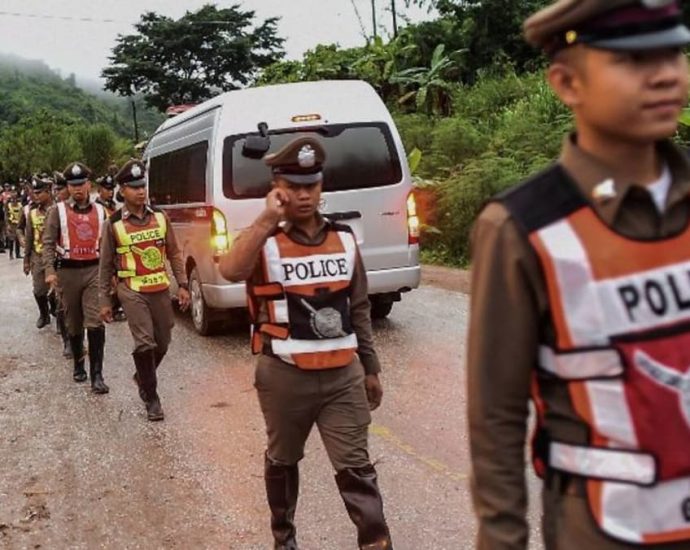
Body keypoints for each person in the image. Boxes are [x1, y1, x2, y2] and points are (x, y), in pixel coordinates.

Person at [467, 1, 690, 549]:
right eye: (632, 60)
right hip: (604, 528)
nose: (664, 75)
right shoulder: (523, 229)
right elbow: (496, 416)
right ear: (566, 83)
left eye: (673, 53)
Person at [219, 137, 393, 550]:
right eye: (293, 187)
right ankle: (284, 538)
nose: (303, 195)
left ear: (321, 186)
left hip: (343, 378)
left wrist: (370, 368)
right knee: (283, 461)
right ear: (277, 186)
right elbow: (230, 270)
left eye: (311, 186)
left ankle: (377, 543)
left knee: (357, 470)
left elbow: (361, 307)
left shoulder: (345, 239)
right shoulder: (265, 240)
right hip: (284, 376)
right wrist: (265, 219)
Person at [98, 159, 190, 421]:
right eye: (134, 187)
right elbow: (105, 265)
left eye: (143, 186)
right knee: (145, 342)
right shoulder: (113, 224)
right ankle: (151, 397)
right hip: (131, 290)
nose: (140, 191)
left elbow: (174, 252)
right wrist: (105, 300)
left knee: (163, 340)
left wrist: (182, 284)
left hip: (159, 287)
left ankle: (142, 376)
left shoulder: (160, 217)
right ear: (122, 191)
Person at [43, 162, 108, 393]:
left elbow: (108, 246)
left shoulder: (101, 211)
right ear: (68, 187)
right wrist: (49, 271)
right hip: (67, 272)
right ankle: (79, 364)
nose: (77, 189)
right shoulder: (57, 211)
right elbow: (48, 243)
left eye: (81, 184)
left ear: (89, 185)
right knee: (73, 321)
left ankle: (97, 375)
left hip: (94, 271)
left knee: (95, 321)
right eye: (73, 185)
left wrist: (114, 275)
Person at [23, 177, 53, 329]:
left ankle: (59, 316)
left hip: (55, 257)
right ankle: (44, 314)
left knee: (58, 292)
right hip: (38, 256)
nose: (36, 196)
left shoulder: (57, 210)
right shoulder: (32, 213)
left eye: (39, 193)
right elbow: (28, 237)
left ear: (48, 192)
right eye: (34, 193)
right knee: (39, 290)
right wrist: (26, 260)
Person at [4, 185, 22, 259]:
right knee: (11, 239)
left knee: (18, 239)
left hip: (18, 224)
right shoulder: (8, 205)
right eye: (12, 199)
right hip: (11, 224)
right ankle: (11, 254)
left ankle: (18, 254)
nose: (14, 200)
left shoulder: (20, 205)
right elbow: (6, 215)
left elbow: (21, 215)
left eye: (15, 198)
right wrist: (7, 225)